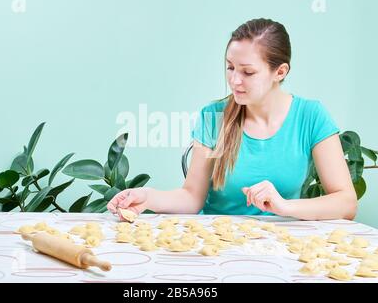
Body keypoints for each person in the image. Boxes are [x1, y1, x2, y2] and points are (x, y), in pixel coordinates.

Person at [107, 18, 357, 221]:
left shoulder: (311, 116)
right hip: (219, 244)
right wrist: (148, 197)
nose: (234, 80)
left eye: (247, 72)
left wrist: (285, 207)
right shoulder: (212, 116)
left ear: (280, 72)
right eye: (230, 67)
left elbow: (346, 203)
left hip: (282, 245)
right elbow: (192, 198)